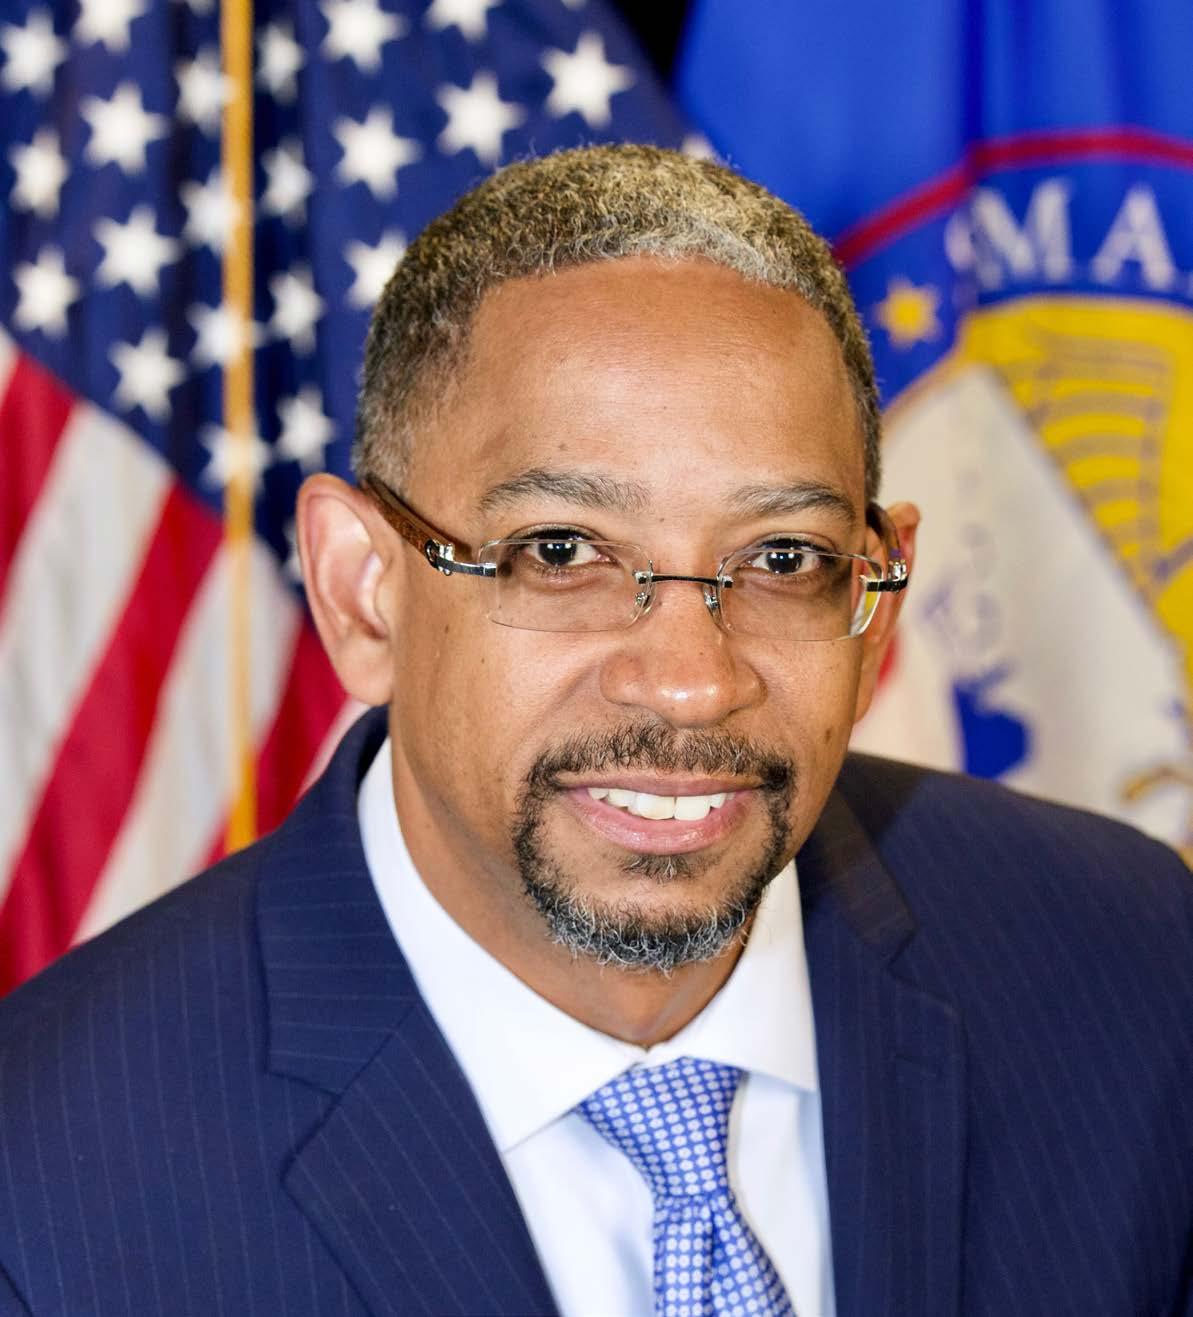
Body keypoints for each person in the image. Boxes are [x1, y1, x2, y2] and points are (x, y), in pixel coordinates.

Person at [0, 145, 1189, 1317]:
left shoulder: (1132, 965)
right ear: (365, 594)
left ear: (875, 605)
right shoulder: (44, 1193)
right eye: (560, 553)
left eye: (782, 559)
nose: (688, 685)